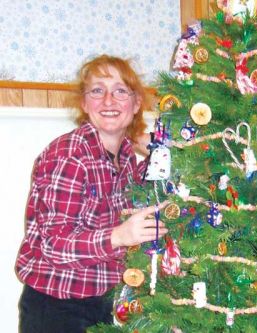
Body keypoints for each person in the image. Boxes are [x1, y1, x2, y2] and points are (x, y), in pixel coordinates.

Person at [15, 55, 168, 333]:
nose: (108, 100)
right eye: (97, 90)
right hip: (57, 306)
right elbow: (53, 245)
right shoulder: (69, 155)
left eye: (121, 91)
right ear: (85, 104)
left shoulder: (124, 156)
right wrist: (120, 235)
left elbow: (148, 193)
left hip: (104, 301)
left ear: (136, 105)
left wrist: (160, 150)